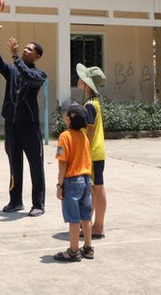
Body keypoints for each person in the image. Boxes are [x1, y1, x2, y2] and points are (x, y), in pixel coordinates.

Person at [0, 20, 47, 217]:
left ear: (37, 55)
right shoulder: (13, 70)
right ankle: (15, 201)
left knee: (35, 165)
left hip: (29, 126)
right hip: (11, 125)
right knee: (14, 163)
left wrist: (15, 57)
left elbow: (28, 76)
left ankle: (38, 204)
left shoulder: (39, 75)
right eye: (25, 48)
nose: (25, 50)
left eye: (30, 49)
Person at [54, 100, 94, 262]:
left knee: (73, 217)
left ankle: (73, 250)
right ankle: (88, 247)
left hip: (72, 181)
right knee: (86, 215)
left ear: (68, 118)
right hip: (86, 179)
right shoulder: (83, 136)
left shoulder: (65, 136)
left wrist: (59, 184)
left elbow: (63, 162)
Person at [76, 63, 108, 239]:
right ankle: (94, 225)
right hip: (97, 152)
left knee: (97, 188)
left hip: (93, 153)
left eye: (83, 78)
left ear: (87, 84)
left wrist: (82, 152)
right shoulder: (93, 102)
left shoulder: (89, 105)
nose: (79, 80)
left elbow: (89, 131)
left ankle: (99, 226)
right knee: (95, 188)